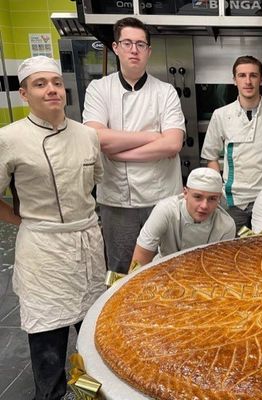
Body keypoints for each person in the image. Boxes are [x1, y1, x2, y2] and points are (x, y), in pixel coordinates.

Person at [0, 56, 105, 400]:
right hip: (43, 250)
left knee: (95, 331)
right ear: (24, 94)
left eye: (56, 83)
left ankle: (98, 392)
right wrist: (23, 222)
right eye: (40, 84)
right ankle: (51, 395)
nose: (51, 90)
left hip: (87, 243)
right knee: (48, 335)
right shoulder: (9, 139)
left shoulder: (88, 135)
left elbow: (96, 183)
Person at [82, 17, 186, 274]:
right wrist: (152, 137)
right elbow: (96, 137)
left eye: (140, 44)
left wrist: (119, 151)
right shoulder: (99, 89)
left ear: (149, 51)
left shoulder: (165, 92)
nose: (134, 50)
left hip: (161, 198)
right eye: (127, 43)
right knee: (121, 270)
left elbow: (172, 143)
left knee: (168, 268)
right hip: (117, 201)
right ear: (115, 47)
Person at [201, 55, 262, 232]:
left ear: (261, 79)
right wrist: (217, 190)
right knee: (233, 253)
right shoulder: (221, 115)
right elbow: (210, 156)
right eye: (242, 76)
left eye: (253, 75)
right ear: (234, 80)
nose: (248, 81)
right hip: (233, 202)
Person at [131, 168, 236, 266]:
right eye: (198, 197)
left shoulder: (226, 225)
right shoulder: (165, 211)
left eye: (212, 199)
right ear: (185, 193)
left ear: (219, 199)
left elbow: (220, 266)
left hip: (204, 274)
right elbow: (142, 254)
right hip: (163, 268)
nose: (204, 206)